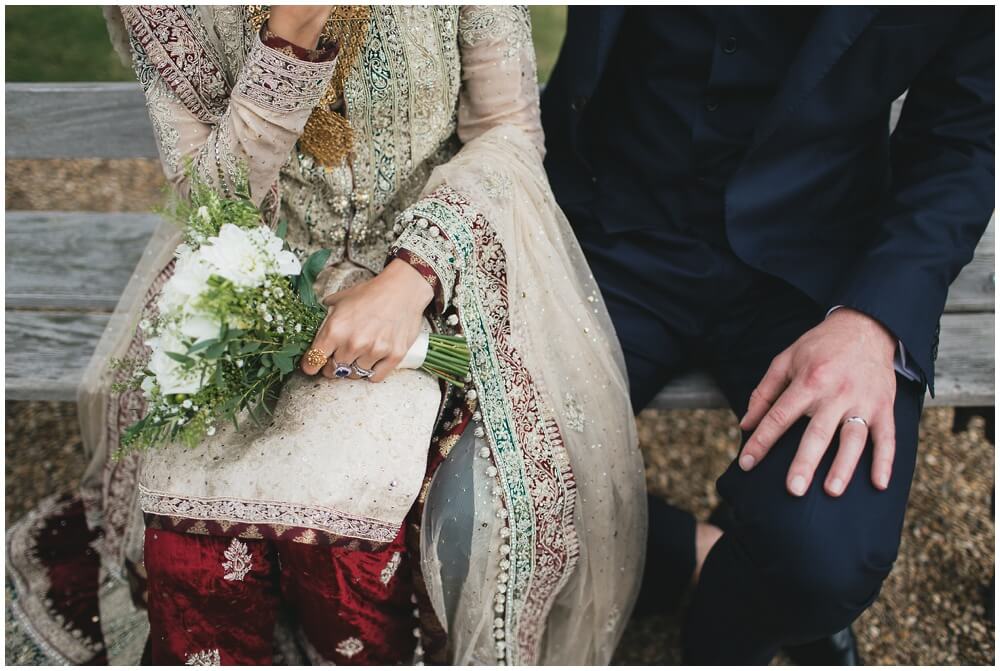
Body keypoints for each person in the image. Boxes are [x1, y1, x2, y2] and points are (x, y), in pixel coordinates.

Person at [6, 5, 646, 665]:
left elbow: (505, 131)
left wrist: (413, 275)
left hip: (428, 268)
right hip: (252, 273)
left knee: (360, 525)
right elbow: (211, 212)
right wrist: (286, 44)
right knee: (191, 526)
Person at [541, 5, 994, 665]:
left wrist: (872, 320)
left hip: (817, 267)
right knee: (451, 477)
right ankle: (694, 554)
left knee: (823, 559)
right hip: (607, 225)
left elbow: (962, 137)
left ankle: (724, 638)